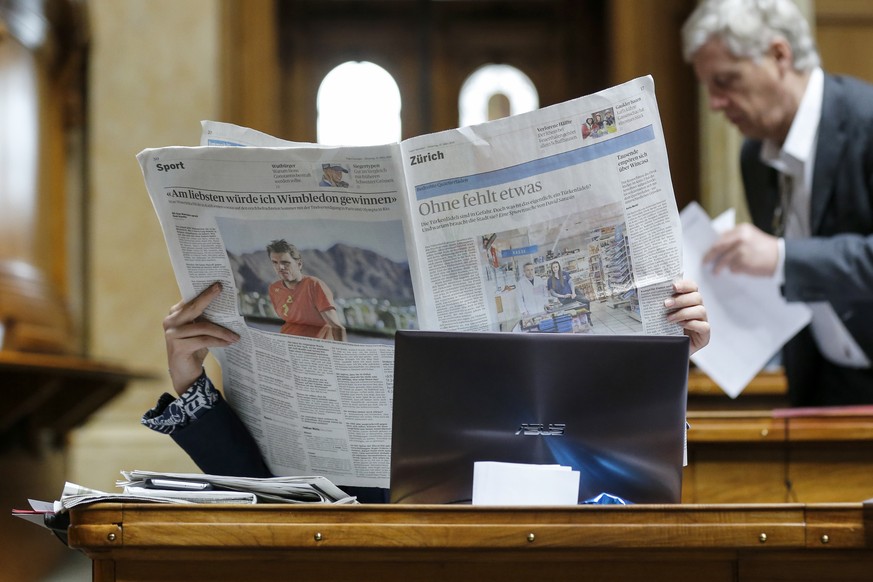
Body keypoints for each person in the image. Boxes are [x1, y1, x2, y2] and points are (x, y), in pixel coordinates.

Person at [144, 279, 709, 502]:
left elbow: (626, 482)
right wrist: (190, 381)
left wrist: (666, 360)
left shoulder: (554, 411)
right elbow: (266, 494)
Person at [682, 0, 873, 406]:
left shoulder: (866, 121)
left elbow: (786, 259)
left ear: (779, 55)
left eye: (726, 81)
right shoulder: (754, 154)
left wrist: (781, 257)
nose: (715, 103)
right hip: (822, 386)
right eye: (709, 88)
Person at [266, 239, 346, 341]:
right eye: (275, 263)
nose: (280, 267)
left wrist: (339, 355)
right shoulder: (274, 288)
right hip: (287, 345)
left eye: (285, 263)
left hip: (315, 349)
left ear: (299, 264)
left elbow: (337, 327)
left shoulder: (314, 285)